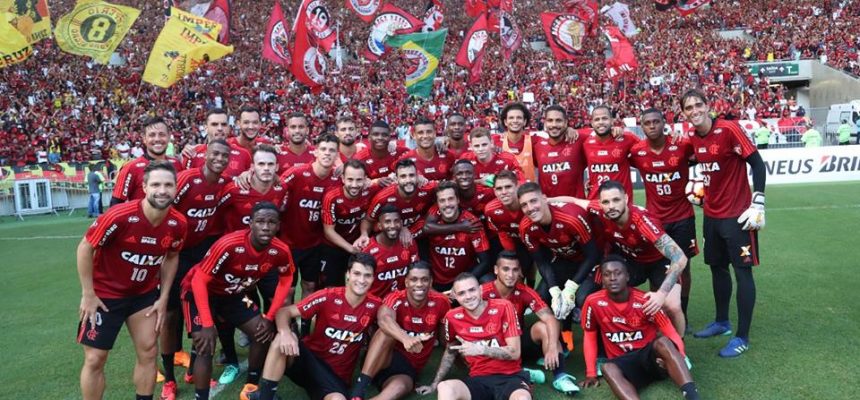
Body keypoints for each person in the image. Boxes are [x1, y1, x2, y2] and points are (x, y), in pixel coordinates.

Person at [76, 161, 187, 400]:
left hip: (143, 297)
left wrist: (164, 296)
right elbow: (85, 247)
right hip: (105, 296)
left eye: (168, 185)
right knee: (95, 358)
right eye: (156, 184)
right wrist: (88, 294)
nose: (162, 190)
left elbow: (171, 257)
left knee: (148, 353)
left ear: (176, 189)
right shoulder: (120, 216)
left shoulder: (178, 224)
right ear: (144, 187)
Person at [681, 89, 767, 357]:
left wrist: (758, 201)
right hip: (712, 217)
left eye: (698, 105)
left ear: (707, 107)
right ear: (684, 113)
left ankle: (742, 336)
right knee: (717, 268)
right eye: (688, 107)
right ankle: (722, 322)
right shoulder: (693, 138)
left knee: (743, 272)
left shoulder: (729, 129)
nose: (694, 110)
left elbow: (757, 164)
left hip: (738, 216)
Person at [181, 202, 296, 400]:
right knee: (206, 344)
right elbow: (199, 280)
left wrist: (269, 317)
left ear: (278, 225)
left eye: (271, 222)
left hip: (233, 294)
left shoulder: (281, 250)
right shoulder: (229, 244)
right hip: (198, 292)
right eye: (260, 221)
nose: (266, 227)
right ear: (250, 223)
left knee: (262, 330)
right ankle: (201, 396)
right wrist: (208, 324)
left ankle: (250, 386)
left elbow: (286, 280)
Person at [241, 253, 382, 400]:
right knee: (280, 340)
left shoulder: (376, 306)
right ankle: (266, 397)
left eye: (367, 275)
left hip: (335, 378)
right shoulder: (328, 296)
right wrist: (285, 332)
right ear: (347, 274)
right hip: (309, 362)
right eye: (357, 274)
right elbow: (284, 312)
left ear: (373, 278)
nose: (361, 280)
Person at [160, 140, 230, 395]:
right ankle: (169, 379)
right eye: (215, 154)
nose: (220, 159)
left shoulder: (225, 183)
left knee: (200, 308)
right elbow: (164, 208)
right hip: (174, 253)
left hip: (201, 254)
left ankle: (192, 371)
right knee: (170, 314)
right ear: (205, 155)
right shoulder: (187, 179)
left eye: (225, 156)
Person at [573, 181, 689, 336]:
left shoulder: (642, 221)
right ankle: (619, 336)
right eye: (606, 202)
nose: (611, 206)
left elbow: (680, 258)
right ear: (600, 203)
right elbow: (574, 201)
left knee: (672, 306)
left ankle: (679, 349)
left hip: (659, 262)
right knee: (606, 290)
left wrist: (661, 294)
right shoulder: (600, 210)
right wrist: (545, 201)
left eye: (616, 200)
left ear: (626, 199)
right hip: (632, 261)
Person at [581, 256, 700, 400]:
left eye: (618, 273)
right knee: (607, 368)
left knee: (664, 342)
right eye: (607, 274)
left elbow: (671, 333)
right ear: (602, 280)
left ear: (627, 276)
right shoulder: (593, 302)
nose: (612, 278)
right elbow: (589, 336)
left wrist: (680, 356)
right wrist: (591, 373)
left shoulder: (645, 300)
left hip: (651, 359)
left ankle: (692, 395)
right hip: (624, 363)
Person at [630, 108, 699, 329]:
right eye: (647, 123)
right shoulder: (638, 151)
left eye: (656, 121)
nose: (652, 126)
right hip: (655, 221)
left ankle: (684, 313)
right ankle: (657, 313)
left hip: (683, 218)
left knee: (683, 267)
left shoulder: (682, 145)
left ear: (664, 123)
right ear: (642, 126)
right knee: (657, 267)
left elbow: (702, 153)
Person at [416, 273, 532, 400]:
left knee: (522, 398)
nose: (468, 296)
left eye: (472, 290)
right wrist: (434, 384)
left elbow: (515, 353)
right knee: (445, 387)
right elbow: (450, 350)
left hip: (510, 377)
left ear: (481, 289)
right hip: (478, 379)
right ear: (455, 296)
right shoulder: (452, 316)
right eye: (462, 293)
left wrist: (480, 349)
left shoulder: (504, 306)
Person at [482, 252, 580, 396]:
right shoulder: (482, 292)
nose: (511, 274)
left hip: (518, 343)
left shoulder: (524, 291)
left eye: (515, 270)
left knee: (543, 326)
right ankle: (522, 373)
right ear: (496, 270)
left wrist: (553, 346)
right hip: (492, 346)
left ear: (520, 271)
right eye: (505, 269)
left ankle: (560, 376)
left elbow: (550, 318)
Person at [349, 261, 450, 400]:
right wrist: (406, 338)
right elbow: (384, 319)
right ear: (406, 282)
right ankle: (359, 390)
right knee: (387, 331)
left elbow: (447, 337)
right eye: (414, 279)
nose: (419, 284)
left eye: (424, 279)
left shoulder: (441, 302)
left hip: (408, 369)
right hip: (382, 358)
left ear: (431, 282)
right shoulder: (395, 297)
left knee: (399, 389)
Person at [517, 182, 598, 350]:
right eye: (524, 205)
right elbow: (541, 262)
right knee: (542, 296)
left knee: (583, 297)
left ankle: (601, 345)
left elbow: (592, 255)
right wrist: (554, 290)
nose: (530, 208)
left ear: (545, 199)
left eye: (534, 201)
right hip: (564, 260)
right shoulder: (525, 227)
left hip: (591, 260)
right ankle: (560, 336)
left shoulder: (571, 218)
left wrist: (570, 288)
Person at [279, 134, 342, 304]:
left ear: (337, 155)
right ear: (315, 151)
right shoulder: (296, 173)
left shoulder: (338, 181)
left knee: (309, 286)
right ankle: (288, 327)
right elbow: (275, 189)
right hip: (288, 244)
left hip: (315, 245)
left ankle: (304, 329)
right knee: (288, 291)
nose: (327, 154)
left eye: (332, 151)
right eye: (323, 149)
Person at [423, 180, 492, 291]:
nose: (447, 204)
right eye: (442, 200)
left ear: (458, 200)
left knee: (488, 279)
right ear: (437, 203)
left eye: (451, 199)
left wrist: (462, 284)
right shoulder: (432, 221)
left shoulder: (472, 223)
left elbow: (485, 261)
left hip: (463, 282)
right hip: (436, 282)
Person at [321, 159, 375, 287]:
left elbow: (392, 182)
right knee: (332, 288)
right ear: (343, 179)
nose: (354, 185)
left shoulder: (371, 190)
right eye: (350, 179)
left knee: (361, 286)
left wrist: (363, 234)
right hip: (333, 247)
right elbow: (329, 232)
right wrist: (352, 249)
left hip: (359, 245)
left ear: (365, 179)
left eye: (359, 180)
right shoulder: (332, 197)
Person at [111, 117, 185, 206]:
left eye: (162, 134)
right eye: (152, 135)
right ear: (144, 138)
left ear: (169, 137)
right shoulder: (131, 168)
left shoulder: (177, 164)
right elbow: (115, 204)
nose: (157, 139)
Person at [582, 105, 638, 202]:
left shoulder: (627, 138)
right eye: (597, 119)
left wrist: (670, 137)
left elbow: (648, 148)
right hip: (595, 203)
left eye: (604, 118)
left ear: (612, 121)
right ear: (592, 123)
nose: (601, 122)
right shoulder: (585, 142)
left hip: (621, 204)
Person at [364, 205, 419, 298]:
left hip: (403, 301)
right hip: (376, 303)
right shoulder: (368, 250)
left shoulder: (408, 242)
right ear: (380, 226)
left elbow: (417, 274)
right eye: (387, 222)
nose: (392, 226)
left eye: (396, 221)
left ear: (401, 224)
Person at [532, 105, 587, 198]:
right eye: (550, 120)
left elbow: (600, 132)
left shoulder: (578, 139)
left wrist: (615, 129)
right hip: (548, 207)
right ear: (545, 123)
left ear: (566, 122)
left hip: (574, 207)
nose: (554, 125)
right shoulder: (537, 145)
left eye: (558, 120)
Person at [182, 108, 252, 179]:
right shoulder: (191, 153)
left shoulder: (244, 154)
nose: (220, 128)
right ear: (206, 127)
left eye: (224, 124)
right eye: (214, 124)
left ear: (228, 127)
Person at [396, 117, 456, 181]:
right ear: (413, 135)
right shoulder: (405, 160)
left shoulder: (448, 156)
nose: (425, 136)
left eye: (429, 132)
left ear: (435, 133)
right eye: (420, 133)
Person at [460, 128, 525, 184]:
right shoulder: (465, 160)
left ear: (491, 143)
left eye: (484, 145)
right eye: (476, 146)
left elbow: (522, 181)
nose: (481, 149)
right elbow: (456, 182)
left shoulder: (508, 159)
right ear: (471, 146)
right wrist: (479, 181)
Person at [354, 120, 407, 185]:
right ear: (369, 137)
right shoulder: (359, 159)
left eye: (384, 135)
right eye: (376, 134)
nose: (380, 138)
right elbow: (355, 183)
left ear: (390, 137)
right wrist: (375, 182)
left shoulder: (401, 152)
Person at [495, 102, 537, 182]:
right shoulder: (495, 142)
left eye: (519, 118)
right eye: (511, 118)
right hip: (505, 193)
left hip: (528, 192)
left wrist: (567, 130)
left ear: (525, 121)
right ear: (505, 122)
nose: (515, 121)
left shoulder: (534, 141)